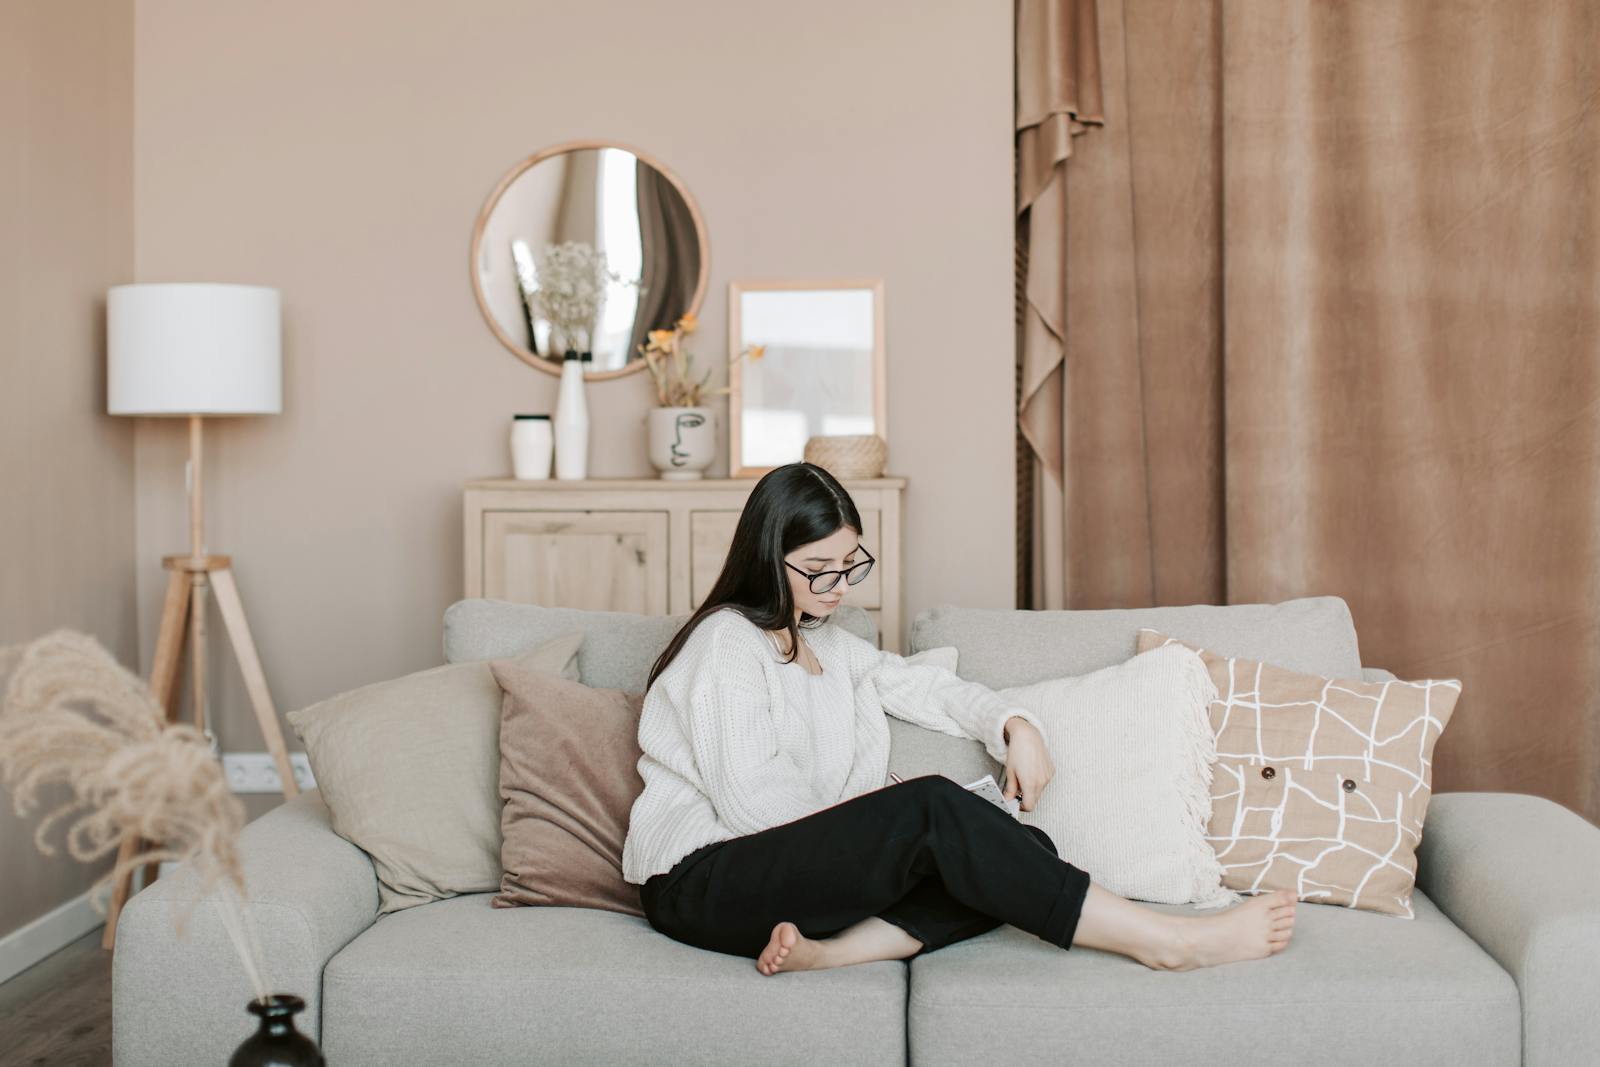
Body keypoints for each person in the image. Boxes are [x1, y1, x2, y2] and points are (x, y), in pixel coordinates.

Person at [620, 462, 1296, 976]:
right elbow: (751, 803)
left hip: (780, 870)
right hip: (701, 880)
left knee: (1020, 847)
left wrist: (1013, 726)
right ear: (770, 559)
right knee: (933, 813)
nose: (839, 588)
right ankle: (1169, 940)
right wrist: (870, 832)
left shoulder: (835, 647)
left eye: (850, 565)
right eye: (818, 570)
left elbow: (933, 690)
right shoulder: (727, 641)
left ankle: (829, 954)